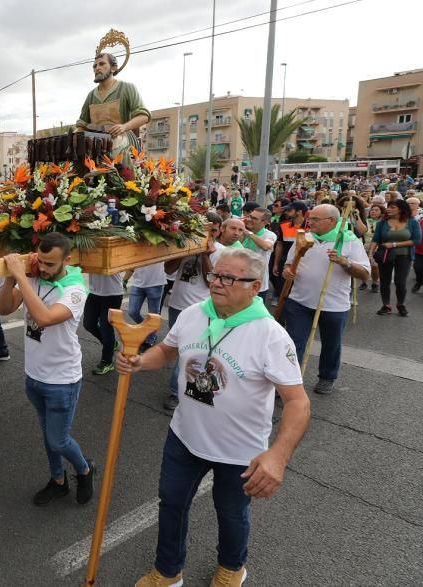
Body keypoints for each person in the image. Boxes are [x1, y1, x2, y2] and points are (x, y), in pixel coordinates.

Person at [118, 249, 310, 587]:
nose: (217, 283)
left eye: (229, 278)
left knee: (232, 513)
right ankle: (167, 572)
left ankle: (233, 567)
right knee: (172, 503)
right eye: (216, 276)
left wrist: (278, 456)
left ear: (255, 286)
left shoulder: (270, 335)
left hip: (239, 450)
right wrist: (139, 362)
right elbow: (167, 350)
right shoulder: (194, 313)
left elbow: (297, 402)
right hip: (184, 435)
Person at [0, 232, 95, 506]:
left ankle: (85, 469)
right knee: (48, 436)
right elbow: (5, 308)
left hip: (62, 380)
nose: (42, 268)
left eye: (50, 264)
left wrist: (20, 276)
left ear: (67, 260)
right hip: (35, 376)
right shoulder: (33, 277)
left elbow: (44, 317)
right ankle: (58, 480)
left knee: (58, 439)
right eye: (40, 261)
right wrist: (10, 277)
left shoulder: (75, 289)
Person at [282, 205, 371, 395]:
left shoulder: (348, 241)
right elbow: (289, 263)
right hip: (299, 301)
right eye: (310, 218)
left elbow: (365, 274)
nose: (310, 222)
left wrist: (344, 262)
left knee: (331, 343)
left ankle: (327, 376)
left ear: (332, 221)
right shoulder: (304, 237)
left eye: (315, 219)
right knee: (293, 342)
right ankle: (288, 381)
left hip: (333, 305)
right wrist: (287, 271)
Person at [161, 214, 223, 410]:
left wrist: (204, 253)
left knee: (191, 349)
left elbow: (210, 280)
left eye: (213, 231)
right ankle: (189, 385)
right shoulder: (185, 245)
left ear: (219, 231)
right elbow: (168, 270)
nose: (209, 235)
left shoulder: (222, 252)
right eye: (204, 231)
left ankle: (176, 392)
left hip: (202, 308)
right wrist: (182, 251)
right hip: (178, 305)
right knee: (179, 348)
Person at [74, 51, 151, 158]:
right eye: (95, 66)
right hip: (94, 141)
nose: (97, 68)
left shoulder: (127, 88)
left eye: (102, 64)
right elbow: (81, 124)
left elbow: (144, 116)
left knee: (110, 152)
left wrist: (124, 127)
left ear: (113, 68)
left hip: (121, 138)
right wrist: (74, 137)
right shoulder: (91, 96)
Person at [367, 199, 420, 317]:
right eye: (388, 207)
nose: (388, 209)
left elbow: (416, 240)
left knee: (400, 282)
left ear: (401, 209)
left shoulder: (412, 222)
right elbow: (375, 239)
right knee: (385, 282)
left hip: (404, 256)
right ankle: (386, 305)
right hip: (385, 255)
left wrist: (394, 244)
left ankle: (400, 304)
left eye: (392, 207)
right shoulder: (382, 223)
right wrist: (370, 254)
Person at [82, 272, 125, 376]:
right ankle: (110, 344)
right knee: (88, 323)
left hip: (113, 293)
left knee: (106, 326)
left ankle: (107, 362)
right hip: (94, 292)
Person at [127, 262, 166, 351]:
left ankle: (150, 338)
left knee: (153, 315)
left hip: (156, 282)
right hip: (137, 282)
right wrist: (125, 279)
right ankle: (147, 330)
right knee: (132, 312)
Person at [241, 208, 277, 302]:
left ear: (264, 222)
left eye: (254, 218)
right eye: (249, 216)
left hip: (257, 285)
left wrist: (247, 233)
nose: (249, 219)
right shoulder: (242, 232)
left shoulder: (270, 235)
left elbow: (266, 246)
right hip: (239, 280)